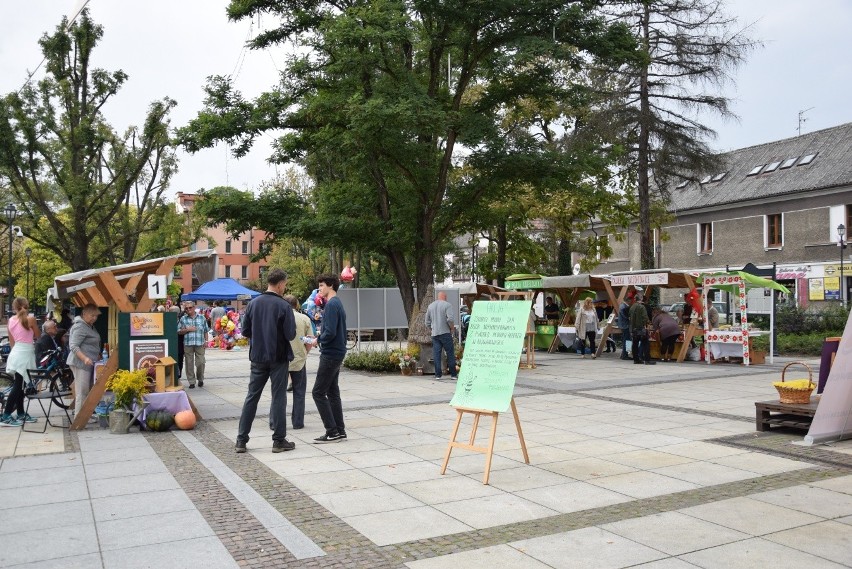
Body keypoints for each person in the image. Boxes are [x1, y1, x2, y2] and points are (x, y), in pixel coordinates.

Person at [236, 269, 296, 453]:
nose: (284, 288)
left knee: (252, 397)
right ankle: (278, 440)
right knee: (278, 397)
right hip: (278, 357)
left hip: (258, 357)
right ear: (279, 284)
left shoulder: (253, 304)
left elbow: (245, 331)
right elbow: (291, 334)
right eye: (284, 284)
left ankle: (241, 440)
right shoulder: (284, 305)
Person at [310, 274, 348, 443]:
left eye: (322, 285)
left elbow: (331, 331)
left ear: (331, 286)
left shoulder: (332, 304)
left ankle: (332, 431)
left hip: (331, 353)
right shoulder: (336, 303)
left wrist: (319, 339)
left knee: (318, 392)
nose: (320, 289)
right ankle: (339, 430)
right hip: (337, 351)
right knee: (332, 392)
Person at [1, 298, 41, 426]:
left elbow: (12, 341)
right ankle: (6, 415)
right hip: (26, 352)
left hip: (16, 352)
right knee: (18, 385)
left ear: (14, 307)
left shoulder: (11, 320)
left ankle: (20, 413)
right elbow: (38, 335)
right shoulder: (31, 319)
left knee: (20, 384)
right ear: (27, 306)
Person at [66, 304, 102, 419]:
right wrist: (85, 358)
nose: (94, 318)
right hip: (80, 363)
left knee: (87, 390)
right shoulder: (80, 326)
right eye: (92, 315)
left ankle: (85, 415)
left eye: (96, 316)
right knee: (82, 391)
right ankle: (78, 418)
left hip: (88, 363)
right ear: (84, 314)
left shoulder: (89, 325)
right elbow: (73, 346)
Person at [282, 294, 312, 430]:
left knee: (278, 392)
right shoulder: (304, 318)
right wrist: (305, 352)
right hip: (299, 358)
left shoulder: (279, 318)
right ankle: (298, 422)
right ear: (297, 305)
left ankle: (275, 421)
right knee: (299, 392)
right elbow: (309, 340)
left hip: (281, 359)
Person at [425, 291, 456, 380]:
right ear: (445, 297)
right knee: (450, 353)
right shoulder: (447, 305)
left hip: (435, 334)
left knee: (437, 354)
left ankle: (438, 375)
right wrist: (452, 328)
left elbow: (427, 322)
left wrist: (432, 329)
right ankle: (453, 374)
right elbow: (450, 319)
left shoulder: (430, 306)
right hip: (445, 332)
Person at [178, 301, 209, 388]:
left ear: (194, 307)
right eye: (186, 308)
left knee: (201, 362)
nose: (188, 310)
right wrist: (187, 329)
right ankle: (191, 381)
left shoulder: (202, 318)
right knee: (189, 363)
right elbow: (179, 331)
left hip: (200, 343)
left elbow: (206, 330)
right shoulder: (183, 319)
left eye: (190, 308)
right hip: (188, 344)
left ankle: (200, 378)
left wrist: (206, 341)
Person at [629, 294, 654, 365]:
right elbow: (645, 317)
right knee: (646, 343)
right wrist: (648, 323)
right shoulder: (641, 307)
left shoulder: (632, 307)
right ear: (641, 298)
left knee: (635, 344)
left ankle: (636, 359)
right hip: (641, 328)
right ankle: (647, 360)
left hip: (633, 329)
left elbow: (629, 317)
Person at [617, 294, 633, 360]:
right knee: (626, 340)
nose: (631, 302)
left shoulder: (622, 306)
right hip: (625, 325)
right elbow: (626, 316)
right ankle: (625, 355)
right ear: (628, 301)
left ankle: (625, 354)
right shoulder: (623, 307)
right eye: (631, 301)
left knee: (627, 340)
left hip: (624, 325)